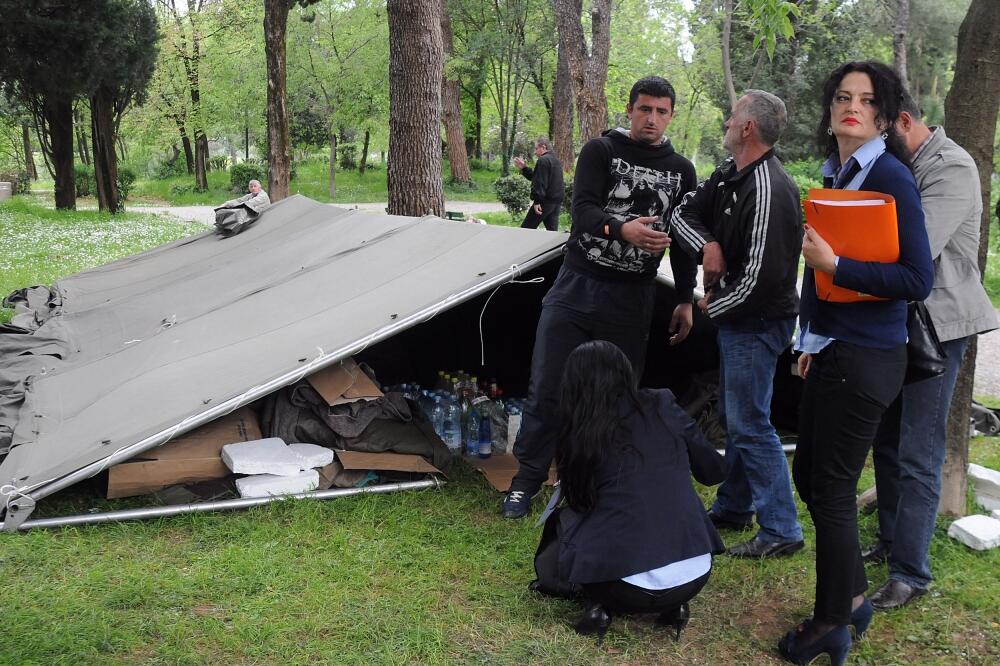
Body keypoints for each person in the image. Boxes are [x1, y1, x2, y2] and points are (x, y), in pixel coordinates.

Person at [780, 61, 934, 665]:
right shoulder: (838, 174)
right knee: (808, 477)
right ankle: (852, 599)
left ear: (882, 115)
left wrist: (836, 264)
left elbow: (917, 278)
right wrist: (809, 341)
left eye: (865, 100)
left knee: (833, 489)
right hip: (834, 351)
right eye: (842, 96)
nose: (851, 106)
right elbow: (818, 277)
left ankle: (829, 626)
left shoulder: (890, 177)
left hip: (870, 357)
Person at [500, 76, 698, 519]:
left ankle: (603, 482)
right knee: (548, 386)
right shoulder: (601, 151)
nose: (652, 119)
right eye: (644, 109)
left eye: (661, 111)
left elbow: (683, 240)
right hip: (577, 286)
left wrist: (684, 298)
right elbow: (582, 211)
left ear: (671, 116)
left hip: (632, 298)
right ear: (629, 110)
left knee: (616, 395)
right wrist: (622, 228)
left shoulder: (682, 170)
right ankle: (525, 481)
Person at [864, 94, 998, 609]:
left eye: (883, 129)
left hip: (938, 326)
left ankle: (911, 574)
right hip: (896, 318)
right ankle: (892, 540)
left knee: (920, 449)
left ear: (903, 121)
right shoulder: (899, 162)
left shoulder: (954, 165)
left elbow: (913, 244)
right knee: (887, 439)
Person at [670, 90, 804, 559]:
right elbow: (681, 214)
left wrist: (713, 308)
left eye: (731, 118)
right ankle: (734, 506)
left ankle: (782, 528)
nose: (726, 123)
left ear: (747, 128)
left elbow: (762, 282)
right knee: (737, 417)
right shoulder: (730, 175)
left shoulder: (769, 188)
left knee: (749, 423)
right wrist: (708, 245)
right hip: (739, 318)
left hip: (758, 320)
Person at [538, 340, 726, 640]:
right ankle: (674, 606)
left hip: (622, 588)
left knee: (566, 523)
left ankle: (599, 608)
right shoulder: (663, 404)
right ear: (626, 372)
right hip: (696, 574)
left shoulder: (579, 428)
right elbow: (714, 471)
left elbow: (580, 502)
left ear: (572, 383)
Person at [513, 138, 565, 231]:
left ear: (543, 147)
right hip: (556, 203)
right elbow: (538, 177)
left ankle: (520, 245)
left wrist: (537, 201)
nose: (535, 152)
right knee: (552, 233)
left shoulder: (543, 160)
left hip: (544, 202)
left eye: (536, 148)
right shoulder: (556, 160)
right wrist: (524, 168)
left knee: (525, 230)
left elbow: (540, 182)